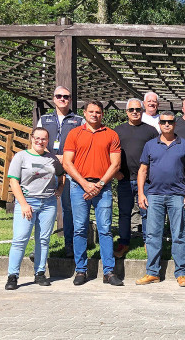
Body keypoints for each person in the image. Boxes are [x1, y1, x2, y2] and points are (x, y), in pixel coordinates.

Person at [63, 100, 123, 286]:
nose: (94, 115)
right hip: (78, 186)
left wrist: (99, 184)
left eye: (98, 112)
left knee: (105, 229)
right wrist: (84, 184)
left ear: (102, 114)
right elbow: (67, 163)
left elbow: (116, 164)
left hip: (103, 187)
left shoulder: (111, 134)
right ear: (85, 113)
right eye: (91, 111)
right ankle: (81, 270)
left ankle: (109, 272)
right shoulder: (74, 133)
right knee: (80, 228)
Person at [136, 112, 185, 287]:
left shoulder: (184, 145)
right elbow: (142, 170)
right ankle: (152, 272)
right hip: (154, 195)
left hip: (178, 196)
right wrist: (141, 193)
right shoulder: (150, 145)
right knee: (153, 234)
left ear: (175, 124)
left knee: (179, 235)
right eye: (163, 122)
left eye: (170, 122)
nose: (167, 124)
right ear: (159, 124)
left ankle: (181, 273)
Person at [5, 127, 65, 290]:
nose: (40, 141)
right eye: (37, 138)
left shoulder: (52, 158)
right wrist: (23, 204)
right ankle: (12, 276)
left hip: (48, 203)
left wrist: (59, 188)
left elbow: (62, 174)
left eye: (44, 139)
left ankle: (40, 273)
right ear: (31, 138)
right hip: (28, 202)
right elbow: (13, 182)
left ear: (48, 140)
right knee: (20, 239)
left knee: (43, 240)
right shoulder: (21, 157)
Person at [37, 86, 84, 258]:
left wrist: (66, 157)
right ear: (54, 98)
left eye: (66, 96)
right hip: (47, 170)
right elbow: (37, 142)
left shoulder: (79, 120)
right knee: (42, 207)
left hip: (70, 170)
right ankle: (40, 249)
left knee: (68, 209)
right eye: (59, 96)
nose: (62, 99)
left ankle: (69, 246)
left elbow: (84, 145)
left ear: (70, 99)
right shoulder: (44, 119)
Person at [113, 98, 158, 258]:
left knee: (147, 212)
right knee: (124, 213)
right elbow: (110, 154)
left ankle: (148, 242)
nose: (134, 112)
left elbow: (157, 154)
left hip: (146, 181)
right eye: (131, 110)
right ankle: (124, 242)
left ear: (142, 110)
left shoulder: (151, 131)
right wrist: (115, 173)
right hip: (124, 179)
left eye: (138, 109)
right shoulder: (118, 131)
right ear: (126, 112)